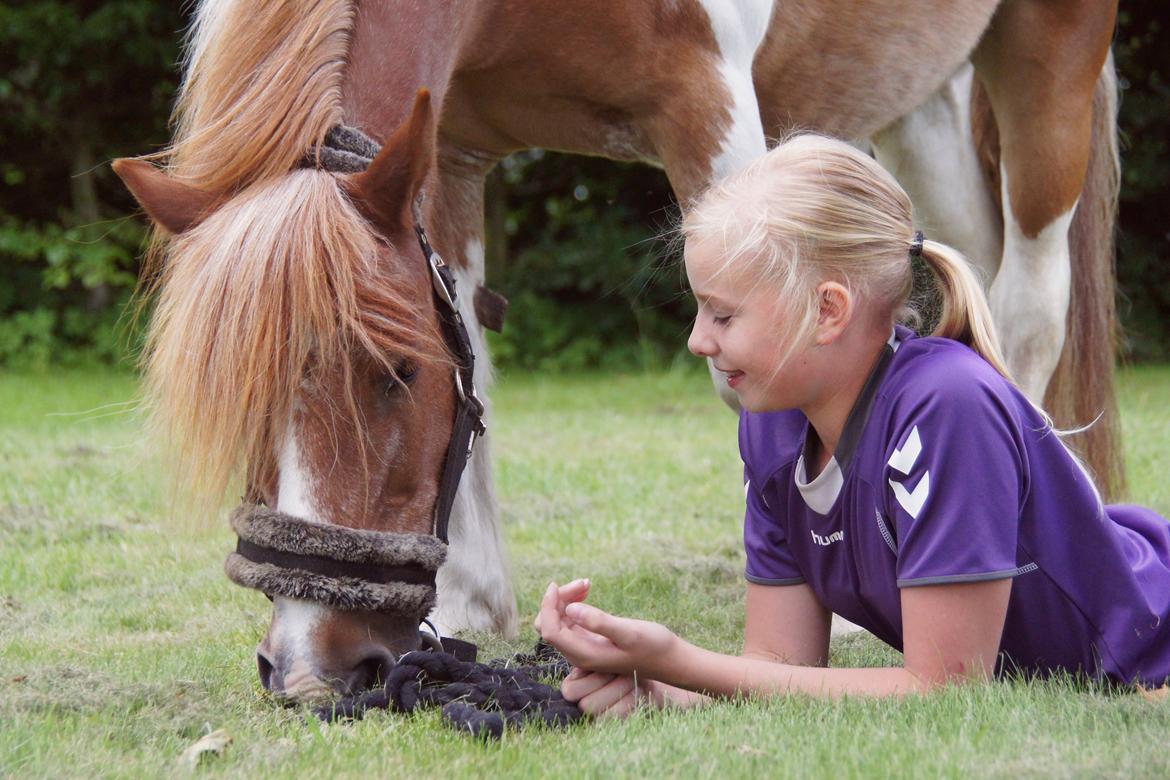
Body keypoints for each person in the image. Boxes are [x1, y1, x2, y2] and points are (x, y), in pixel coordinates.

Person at [535, 134, 1170, 718]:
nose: (699, 340)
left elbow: (943, 691)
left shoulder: (948, 407)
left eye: (723, 316)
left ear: (827, 310)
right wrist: (661, 690)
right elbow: (781, 670)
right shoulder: (772, 426)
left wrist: (679, 658)